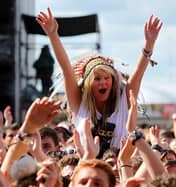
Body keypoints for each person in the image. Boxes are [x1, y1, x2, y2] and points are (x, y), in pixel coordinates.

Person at [36, 8, 162, 156]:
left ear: (113, 81)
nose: (103, 83)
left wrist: (149, 45)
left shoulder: (124, 101)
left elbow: (138, 74)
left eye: (107, 78)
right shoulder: (79, 102)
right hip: (87, 170)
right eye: (97, 79)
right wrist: (53, 35)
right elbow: (66, 69)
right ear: (89, 84)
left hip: (120, 169)